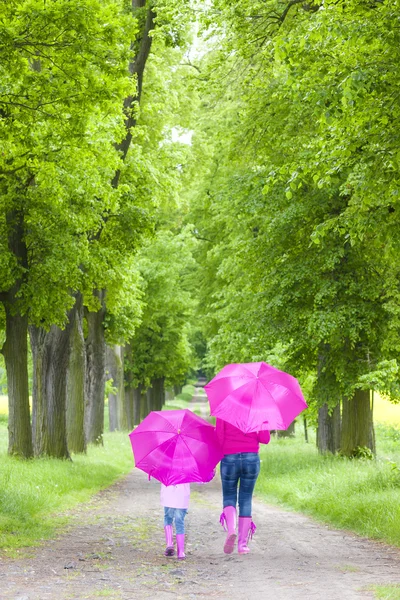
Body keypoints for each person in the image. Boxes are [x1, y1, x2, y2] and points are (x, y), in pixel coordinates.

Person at [216, 419, 271, 555]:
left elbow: (219, 438)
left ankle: (231, 530)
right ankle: (242, 545)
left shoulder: (225, 408)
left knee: (229, 496)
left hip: (229, 458)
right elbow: (265, 439)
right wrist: (264, 422)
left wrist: (215, 459)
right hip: (251, 458)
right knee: (246, 499)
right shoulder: (256, 411)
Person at [161, 482, 190, 560]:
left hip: (168, 495)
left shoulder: (166, 469)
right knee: (179, 521)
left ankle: (169, 544)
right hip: (182, 497)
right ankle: (181, 552)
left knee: (168, 518)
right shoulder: (187, 469)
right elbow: (200, 481)